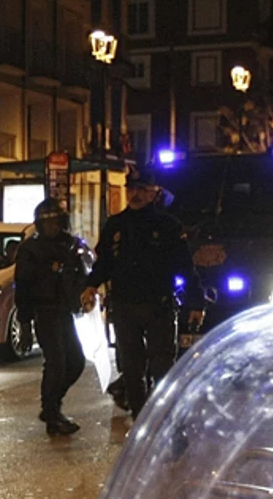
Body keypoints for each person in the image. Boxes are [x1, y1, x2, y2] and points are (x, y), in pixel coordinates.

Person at [82, 166, 194, 418]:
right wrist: (91, 285)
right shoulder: (116, 225)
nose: (135, 194)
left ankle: (165, 418)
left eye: (142, 189)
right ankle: (140, 417)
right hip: (124, 305)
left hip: (157, 306)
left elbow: (185, 266)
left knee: (162, 365)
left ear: (154, 192)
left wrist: (196, 301)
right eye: (131, 189)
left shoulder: (167, 226)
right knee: (131, 368)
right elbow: (105, 263)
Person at [14, 199, 90, 435]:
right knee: (56, 362)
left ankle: (52, 405)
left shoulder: (69, 244)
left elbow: (81, 273)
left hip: (65, 311)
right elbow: (24, 287)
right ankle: (52, 414)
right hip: (44, 311)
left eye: (56, 222)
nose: (53, 227)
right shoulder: (30, 249)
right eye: (48, 223)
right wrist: (25, 323)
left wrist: (84, 292)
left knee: (76, 361)